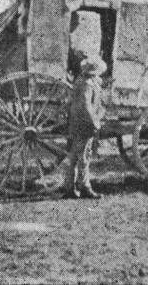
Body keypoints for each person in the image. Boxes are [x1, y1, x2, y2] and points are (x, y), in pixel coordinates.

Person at [65, 56, 106, 200]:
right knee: (83, 156)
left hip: (77, 122)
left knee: (76, 155)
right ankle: (85, 186)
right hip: (83, 123)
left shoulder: (80, 81)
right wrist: (94, 121)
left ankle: (71, 186)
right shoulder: (88, 84)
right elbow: (86, 105)